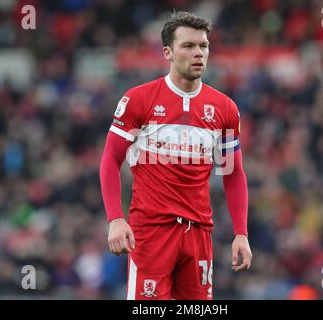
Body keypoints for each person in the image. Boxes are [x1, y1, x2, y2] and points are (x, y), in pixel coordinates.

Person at [100, 11, 252, 300]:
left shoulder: (224, 109)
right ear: (168, 52)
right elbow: (110, 159)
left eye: (203, 46)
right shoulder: (139, 100)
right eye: (188, 46)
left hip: (199, 236)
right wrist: (115, 219)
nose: (198, 53)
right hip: (151, 233)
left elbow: (233, 173)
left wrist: (240, 232)